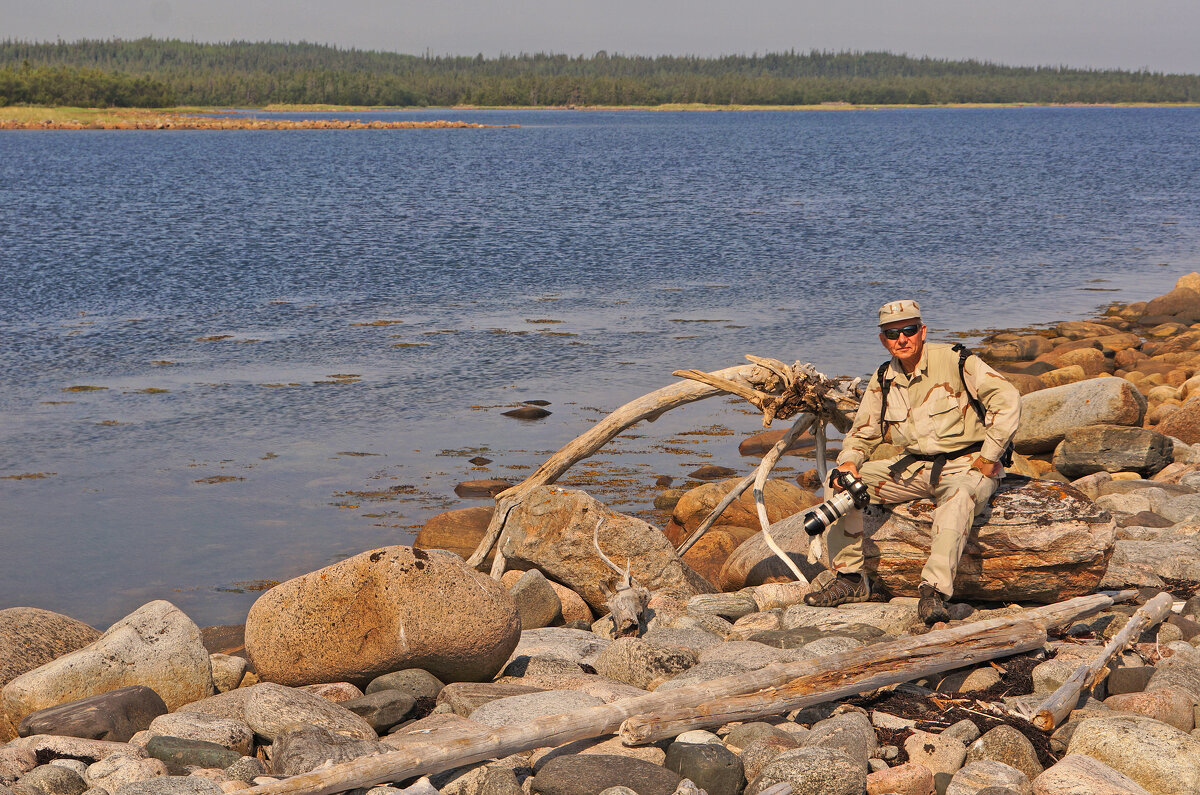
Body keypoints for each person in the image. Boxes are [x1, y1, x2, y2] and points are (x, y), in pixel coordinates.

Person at [804, 299, 1022, 624]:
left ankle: (933, 592)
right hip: (913, 467)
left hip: (968, 463)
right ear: (883, 339)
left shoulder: (957, 360)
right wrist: (848, 462)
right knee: (840, 481)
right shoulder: (883, 377)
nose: (901, 339)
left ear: (922, 331)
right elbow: (862, 433)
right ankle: (850, 579)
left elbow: (1008, 400)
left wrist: (989, 457)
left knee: (959, 498)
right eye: (892, 334)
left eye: (908, 330)